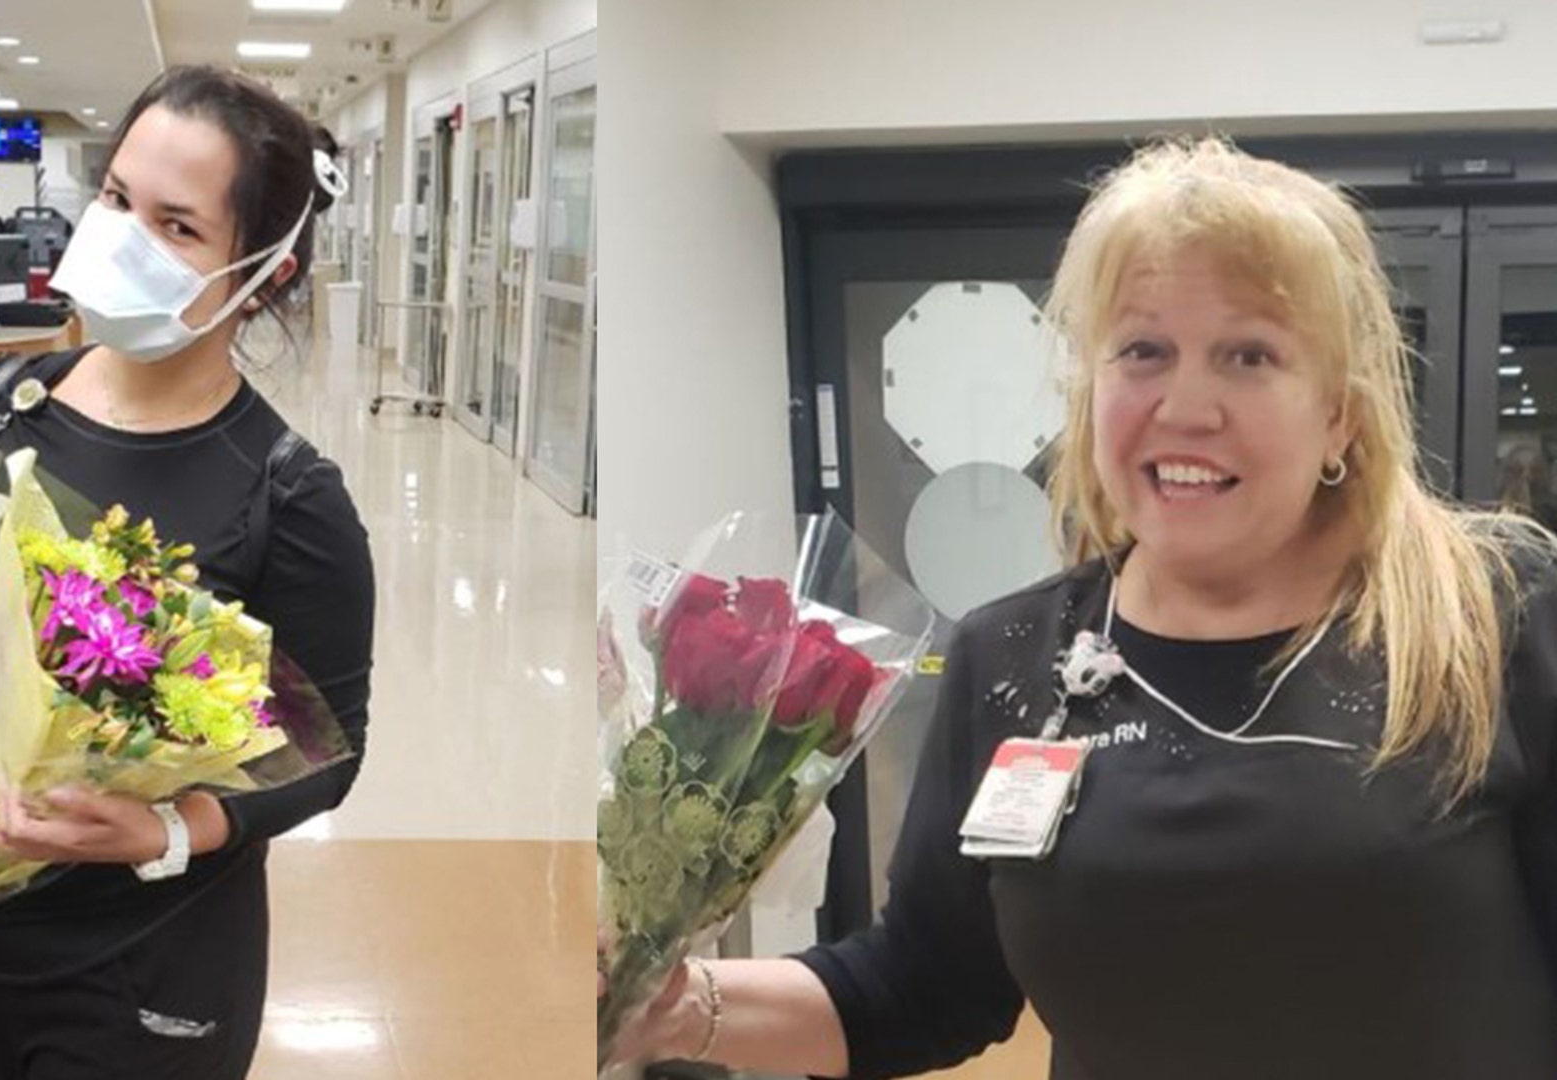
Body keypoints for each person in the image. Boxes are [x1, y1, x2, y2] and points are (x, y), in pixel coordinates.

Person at [609, 138, 1557, 1079]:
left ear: (1340, 416)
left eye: (1250, 355)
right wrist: (680, 1004)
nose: (1188, 406)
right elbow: (927, 982)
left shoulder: (1492, 619)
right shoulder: (1015, 656)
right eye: (1144, 350)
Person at [0, 65, 374, 1080]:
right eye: (116, 199)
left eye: (178, 227)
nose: (125, 237)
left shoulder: (288, 497)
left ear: (265, 269)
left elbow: (330, 752)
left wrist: (168, 828)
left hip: (147, 968)